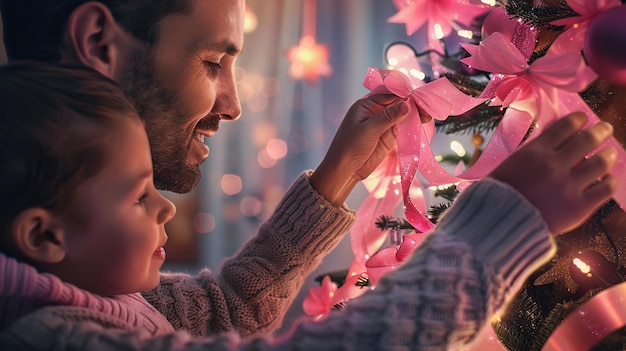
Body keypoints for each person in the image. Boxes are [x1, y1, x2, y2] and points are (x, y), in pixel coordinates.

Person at [0, 61, 617, 350]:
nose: (164, 209)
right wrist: (500, 225)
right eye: (138, 195)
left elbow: (229, 307)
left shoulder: (111, 302)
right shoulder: (49, 338)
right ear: (44, 236)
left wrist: (337, 174)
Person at [0, 0, 416, 340]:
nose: (233, 106)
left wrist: (340, 170)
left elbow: (226, 312)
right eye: (214, 61)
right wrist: (476, 232)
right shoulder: (52, 328)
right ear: (97, 42)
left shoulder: (82, 274)